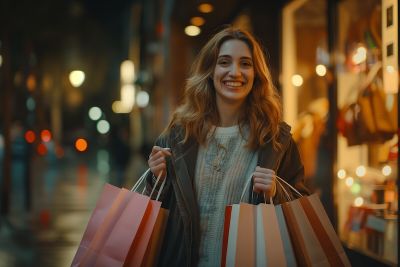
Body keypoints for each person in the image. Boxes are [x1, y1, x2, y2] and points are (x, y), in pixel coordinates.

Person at [145, 26, 309, 267]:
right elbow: (154, 217)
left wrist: (276, 193)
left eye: (245, 63)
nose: (235, 72)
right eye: (224, 62)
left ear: (256, 74)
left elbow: (300, 207)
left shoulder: (275, 139)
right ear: (210, 71)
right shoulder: (177, 136)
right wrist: (155, 180)